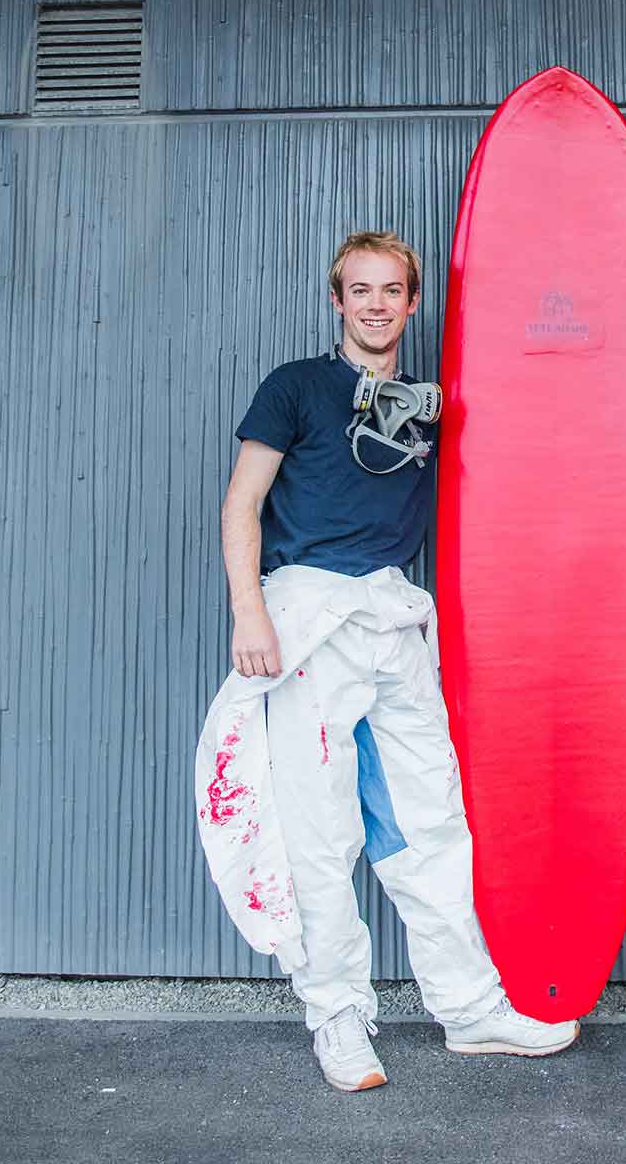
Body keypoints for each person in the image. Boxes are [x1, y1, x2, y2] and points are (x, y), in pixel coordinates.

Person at [194, 230, 580, 1092]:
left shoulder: (428, 404)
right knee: (320, 831)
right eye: (359, 291)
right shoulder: (295, 387)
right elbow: (242, 502)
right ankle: (338, 1020)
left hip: (393, 620)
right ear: (339, 302)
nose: (375, 305)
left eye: (391, 291)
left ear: (413, 304)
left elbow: (535, 452)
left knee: (430, 818)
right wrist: (249, 611)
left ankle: (470, 1008)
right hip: (307, 621)